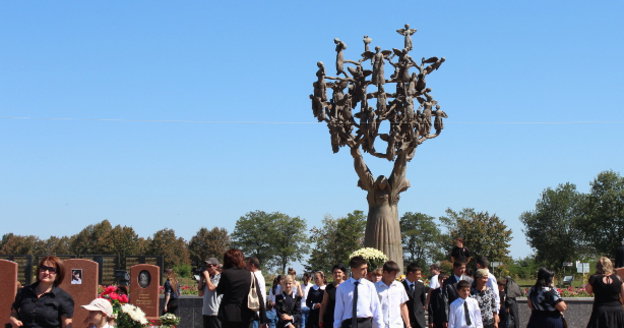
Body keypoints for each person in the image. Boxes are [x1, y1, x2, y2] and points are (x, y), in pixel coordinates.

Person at [10, 256, 74, 328]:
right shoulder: (24, 292)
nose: (46, 272)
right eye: (43, 268)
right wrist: (13, 319)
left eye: (51, 270)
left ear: (58, 275)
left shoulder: (64, 298)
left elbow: (66, 325)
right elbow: (14, 313)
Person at [216, 249, 267, 328]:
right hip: (246, 314)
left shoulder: (226, 274)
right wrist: (263, 319)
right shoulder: (251, 275)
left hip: (228, 314)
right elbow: (259, 297)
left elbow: (219, 290)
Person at [333, 256, 383, 328]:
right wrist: (336, 326)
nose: (366, 271)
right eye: (362, 269)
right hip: (348, 324)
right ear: (353, 269)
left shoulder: (370, 286)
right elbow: (339, 310)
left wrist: (380, 326)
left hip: (365, 323)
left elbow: (376, 308)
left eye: (366, 268)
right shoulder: (342, 287)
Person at [585, 256, 624, 328]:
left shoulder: (594, 278)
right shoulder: (618, 278)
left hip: (601, 311)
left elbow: (588, 291)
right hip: (617, 311)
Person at [375, 261, 410, 328]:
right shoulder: (374, 287)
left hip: (397, 325)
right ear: (385, 273)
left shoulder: (399, 286)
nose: (395, 276)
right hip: (380, 325)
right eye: (393, 274)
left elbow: (403, 305)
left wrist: (408, 324)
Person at [402, 263, 428, 328]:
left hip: (419, 320)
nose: (420, 276)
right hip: (406, 319)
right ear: (410, 273)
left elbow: (423, 301)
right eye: (418, 274)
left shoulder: (421, 285)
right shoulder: (400, 286)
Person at [199, 257, 223, 328]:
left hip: (215, 311)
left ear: (216, 266)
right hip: (206, 311)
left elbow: (211, 288)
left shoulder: (220, 277)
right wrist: (201, 278)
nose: (207, 268)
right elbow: (200, 294)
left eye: (209, 266)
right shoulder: (209, 278)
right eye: (206, 266)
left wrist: (206, 277)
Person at [248, 257, 267, 328]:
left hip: (255, 309)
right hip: (260, 308)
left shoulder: (254, 276)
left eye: (248, 264)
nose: (246, 266)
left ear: (252, 265)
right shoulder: (260, 276)